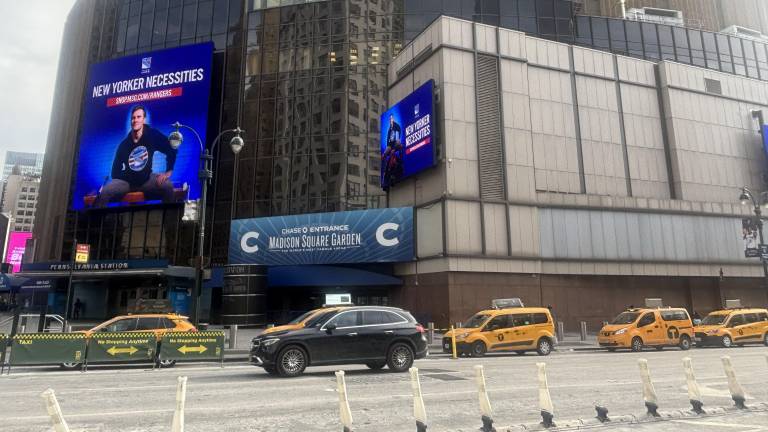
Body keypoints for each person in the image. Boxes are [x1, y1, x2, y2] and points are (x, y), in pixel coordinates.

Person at [95, 105, 178, 207]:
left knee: (168, 186)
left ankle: (167, 221)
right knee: (105, 191)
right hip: (127, 183)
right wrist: (129, 176)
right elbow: (115, 172)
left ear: (144, 119)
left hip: (147, 180)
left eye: (139, 117)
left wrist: (168, 171)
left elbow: (171, 148)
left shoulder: (152, 135)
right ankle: (99, 221)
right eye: (133, 118)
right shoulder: (124, 144)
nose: (135, 120)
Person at [381, 114, 404, 190]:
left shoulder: (396, 126)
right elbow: (388, 141)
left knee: (397, 145)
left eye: (391, 119)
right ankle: (386, 180)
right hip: (391, 146)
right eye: (389, 119)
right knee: (385, 155)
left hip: (396, 144)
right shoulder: (389, 129)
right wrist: (385, 153)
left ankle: (391, 178)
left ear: (393, 119)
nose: (390, 120)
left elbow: (397, 139)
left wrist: (394, 149)